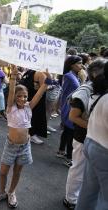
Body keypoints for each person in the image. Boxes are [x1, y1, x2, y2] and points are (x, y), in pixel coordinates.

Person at [0, 65, 50, 208]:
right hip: (11, 145)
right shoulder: (10, 108)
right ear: (15, 98)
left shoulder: (29, 107)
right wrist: (14, 77)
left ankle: (11, 192)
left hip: (25, 146)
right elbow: (10, 93)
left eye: (25, 96)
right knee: (3, 171)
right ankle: (1, 191)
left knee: (17, 171)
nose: (22, 98)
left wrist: (48, 80)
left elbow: (40, 92)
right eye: (19, 96)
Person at [63, 58, 107, 209]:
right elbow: (73, 116)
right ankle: (70, 199)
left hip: (90, 139)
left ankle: (75, 198)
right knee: (78, 169)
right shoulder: (86, 90)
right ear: (96, 73)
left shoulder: (97, 90)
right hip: (83, 137)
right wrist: (94, 127)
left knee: (88, 180)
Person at [76, 60, 108, 210]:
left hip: (92, 143)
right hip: (103, 150)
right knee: (103, 198)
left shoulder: (102, 95)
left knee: (88, 191)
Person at [57, 55, 83, 167]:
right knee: (71, 131)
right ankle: (69, 157)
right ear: (72, 65)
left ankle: (61, 150)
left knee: (67, 130)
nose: (81, 66)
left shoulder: (73, 75)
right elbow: (79, 89)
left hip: (69, 106)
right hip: (69, 107)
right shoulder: (69, 76)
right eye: (79, 63)